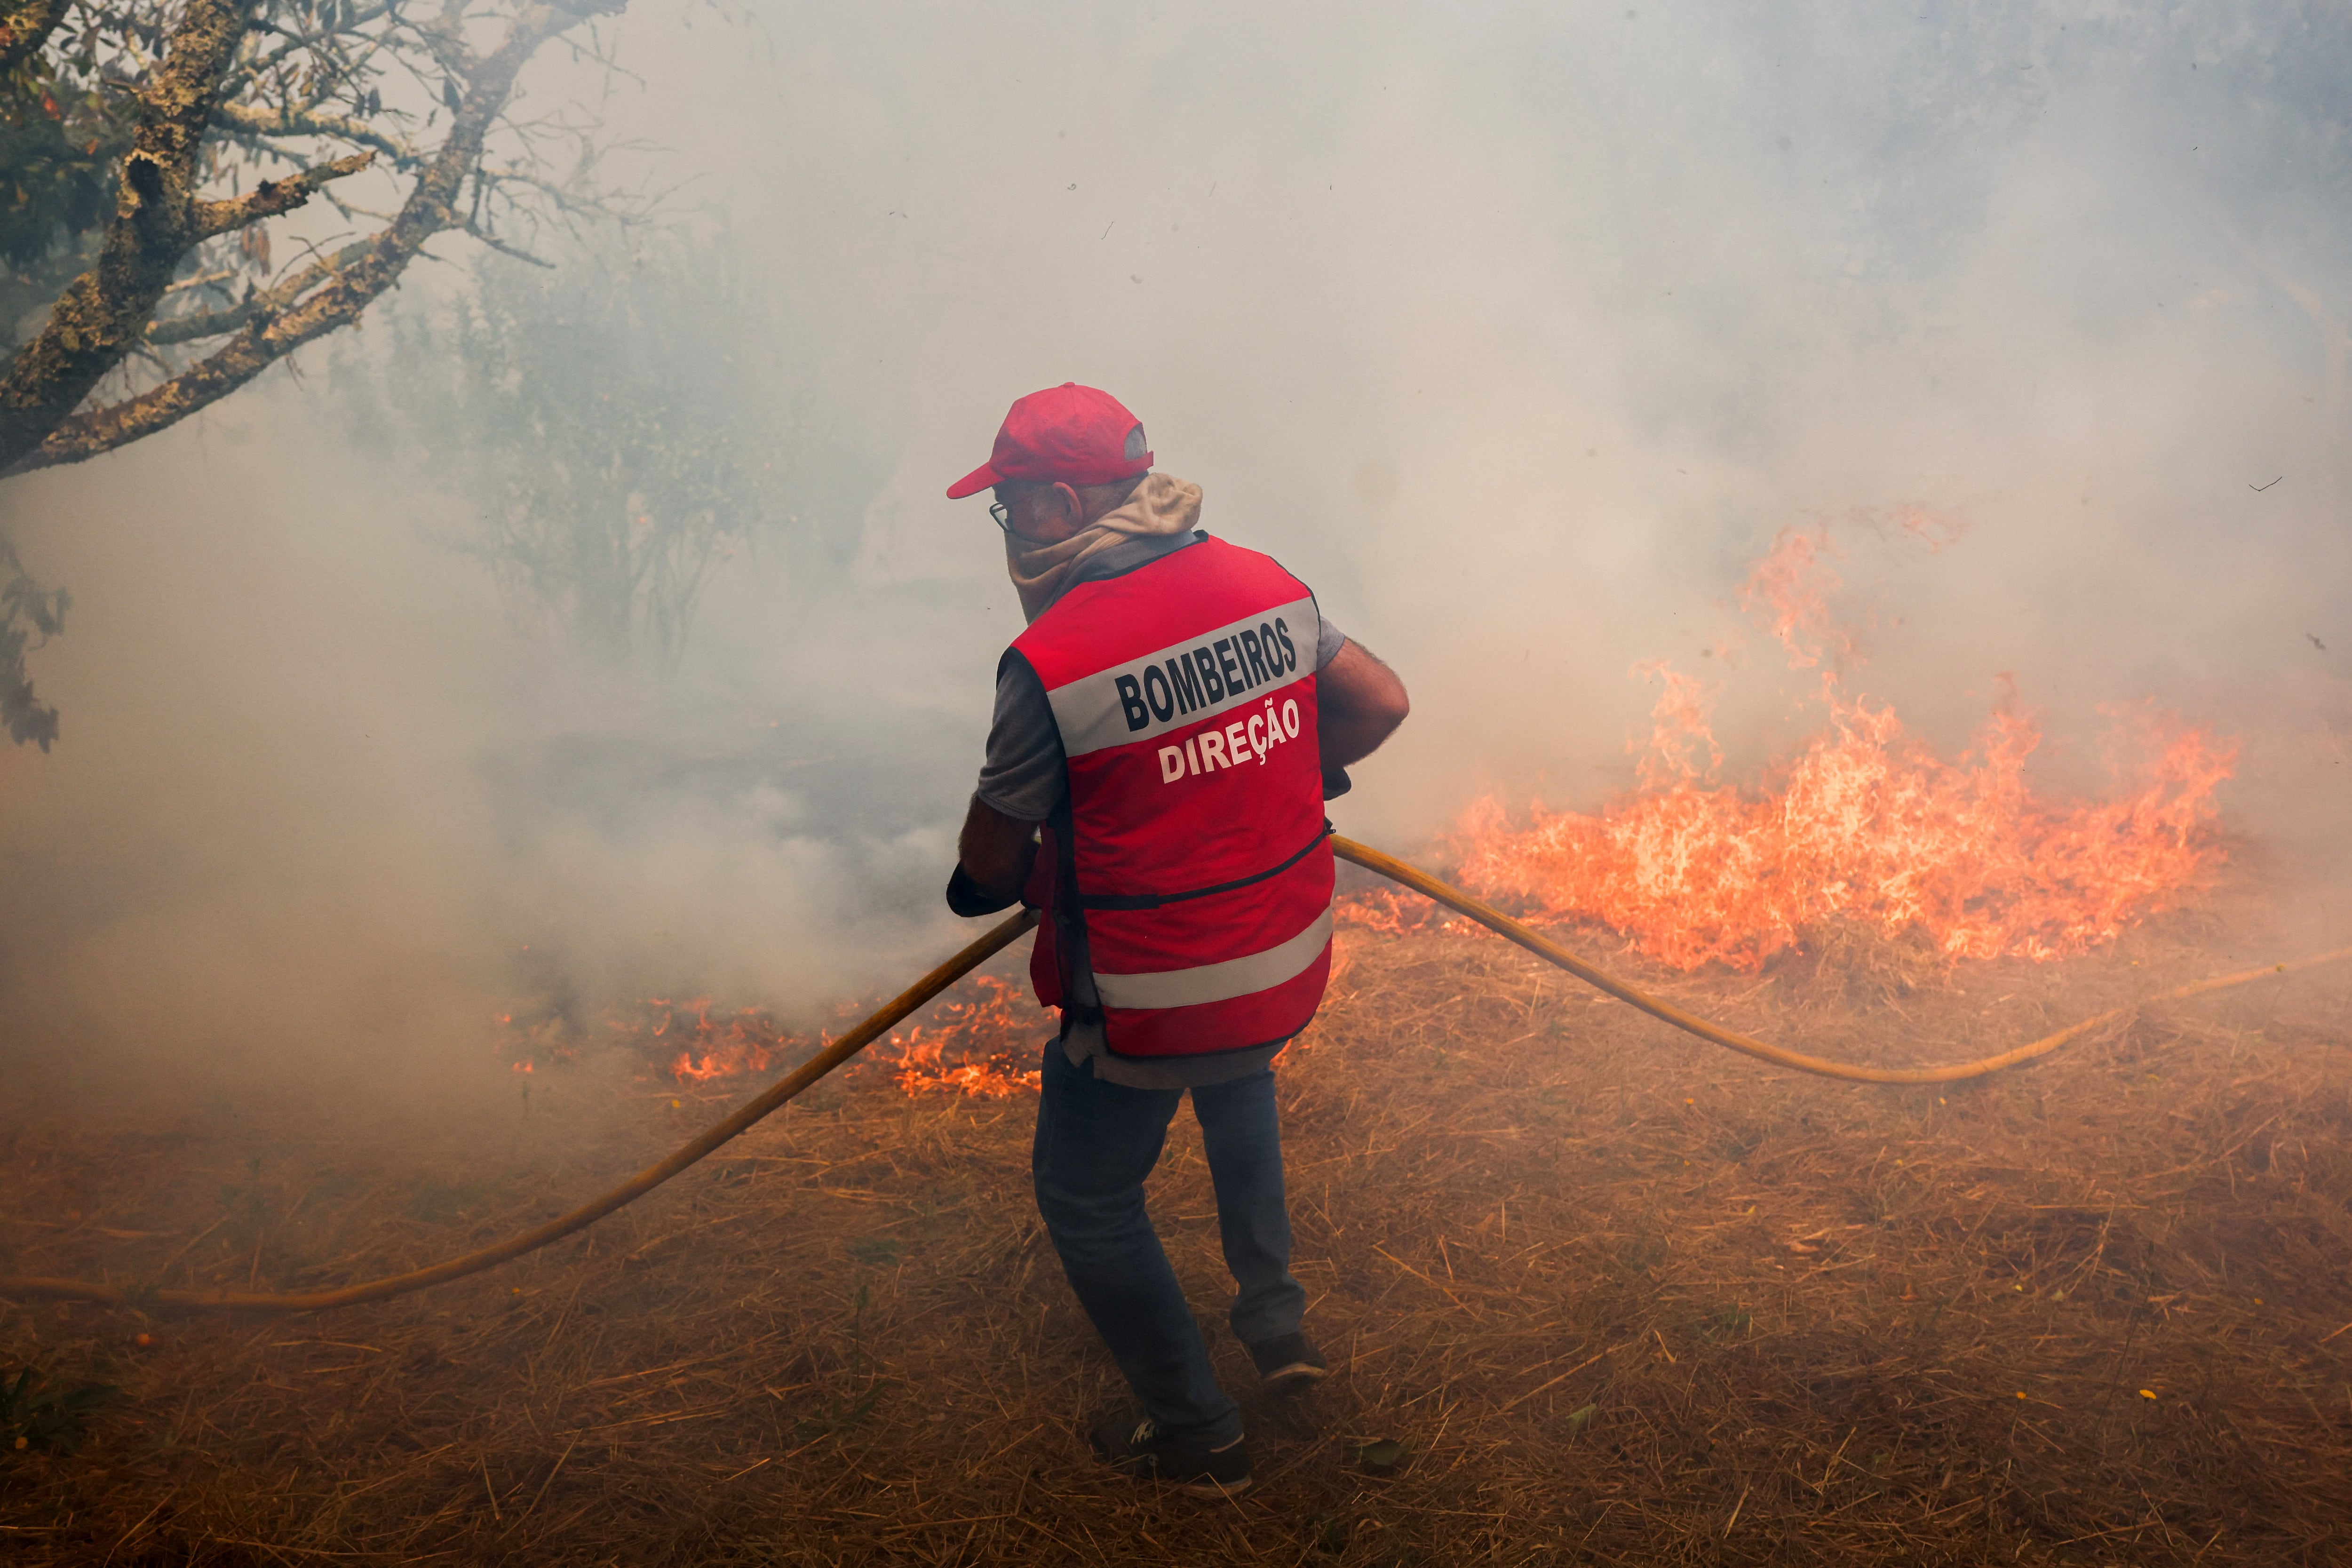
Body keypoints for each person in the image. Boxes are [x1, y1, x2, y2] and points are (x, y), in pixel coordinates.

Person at [942, 383, 1409, 1496]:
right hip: (1284, 962)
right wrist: (1289, 769)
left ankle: (1198, 1434)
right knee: (1237, 1070)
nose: (1008, 530)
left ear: (1059, 502)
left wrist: (986, 881)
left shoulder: (1050, 663)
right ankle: (1275, 1321)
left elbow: (992, 869)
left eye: (1010, 506)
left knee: (1088, 1199)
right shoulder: (1262, 582)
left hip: (1155, 996)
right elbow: (1378, 703)